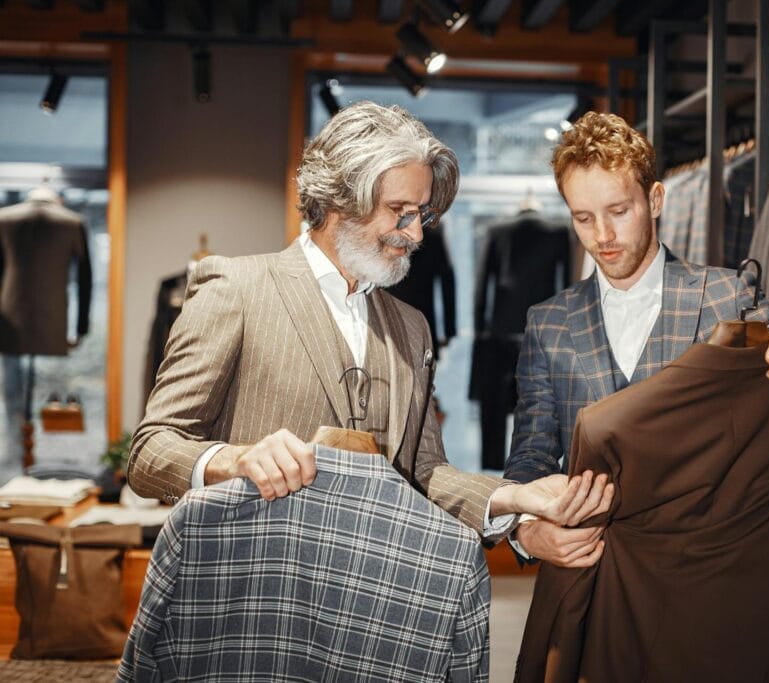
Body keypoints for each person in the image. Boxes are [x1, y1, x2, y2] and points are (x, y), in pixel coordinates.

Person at [127, 101, 613, 539]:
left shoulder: (410, 328)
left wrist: (513, 497)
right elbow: (150, 451)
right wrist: (234, 459)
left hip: (369, 598)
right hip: (253, 591)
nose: (416, 234)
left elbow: (424, 472)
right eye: (399, 211)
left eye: (421, 214)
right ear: (340, 199)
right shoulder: (237, 290)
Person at [504, 111, 769, 565]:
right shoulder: (548, 323)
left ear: (655, 200)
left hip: (707, 573)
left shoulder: (729, 297)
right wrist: (527, 532)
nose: (603, 236)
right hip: (591, 569)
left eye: (619, 211)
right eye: (584, 218)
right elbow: (531, 456)